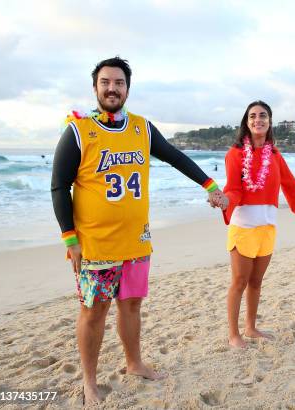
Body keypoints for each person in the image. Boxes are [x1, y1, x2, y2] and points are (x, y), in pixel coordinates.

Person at [50, 57, 227, 405]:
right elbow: (59, 187)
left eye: (118, 82)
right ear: (95, 87)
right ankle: (89, 381)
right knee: (94, 310)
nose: (112, 88)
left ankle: (134, 363)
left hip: (137, 241)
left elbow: (175, 157)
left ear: (127, 89)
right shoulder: (78, 131)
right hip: (96, 246)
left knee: (131, 305)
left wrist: (209, 185)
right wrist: (70, 239)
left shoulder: (141, 128)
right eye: (105, 82)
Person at [221, 100, 295, 348]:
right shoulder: (235, 154)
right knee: (239, 281)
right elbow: (234, 189)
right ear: (246, 122)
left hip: (267, 226)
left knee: (256, 282)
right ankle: (234, 335)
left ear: (270, 121)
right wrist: (224, 200)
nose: (257, 119)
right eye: (252, 116)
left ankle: (251, 328)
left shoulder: (274, 155)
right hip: (244, 227)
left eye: (262, 115)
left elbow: (290, 184)